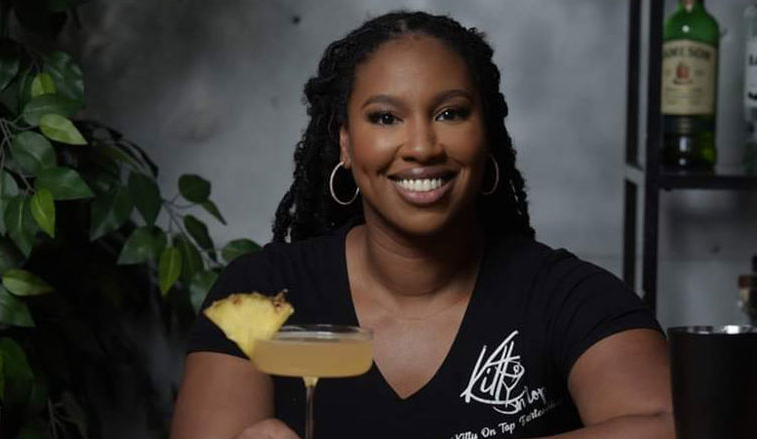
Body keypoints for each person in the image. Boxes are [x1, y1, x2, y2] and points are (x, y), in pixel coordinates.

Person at [171, 11, 673, 439]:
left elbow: (668, 422)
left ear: (486, 136)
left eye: (450, 113)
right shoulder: (260, 294)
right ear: (345, 143)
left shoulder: (563, 295)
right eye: (385, 118)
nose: (422, 146)